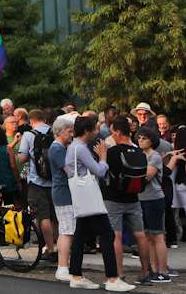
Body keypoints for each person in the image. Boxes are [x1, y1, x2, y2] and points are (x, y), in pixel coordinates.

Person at [65, 115, 134, 291]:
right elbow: (99, 171)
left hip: (81, 197)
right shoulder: (80, 148)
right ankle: (112, 278)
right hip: (90, 198)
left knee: (80, 236)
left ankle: (76, 275)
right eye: (94, 129)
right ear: (87, 131)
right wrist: (102, 157)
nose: (97, 132)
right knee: (107, 235)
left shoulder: (73, 147)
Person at [102, 116, 150, 285]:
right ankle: (145, 272)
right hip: (134, 198)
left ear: (117, 131)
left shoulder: (112, 152)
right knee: (141, 235)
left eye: (112, 132)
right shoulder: (139, 151)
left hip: (113, 198)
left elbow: (103, 172)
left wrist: (102, 155)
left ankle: (119, 273)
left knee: (116, 235)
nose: (111, 135)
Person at [137, 128, 178, 284]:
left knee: (158, 235)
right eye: (139, 137)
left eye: (144, 138)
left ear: (151, 140)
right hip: (141, 198)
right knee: (147, 237)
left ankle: (163, 271)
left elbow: (147, 176)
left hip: (154, 198)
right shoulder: (140, 155)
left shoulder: (154, 156)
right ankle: (153, 269)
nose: (141, 140)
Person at [18, 109, 57, 262]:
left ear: (31, 121)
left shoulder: (28, 135)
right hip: (55, 181)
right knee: (55, 217)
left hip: (37, 181)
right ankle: (60, 246)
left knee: (43, 216)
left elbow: (21, 158)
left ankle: (50, 248)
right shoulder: (54, 133)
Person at [49, 115, 77, 282]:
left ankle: (63, 265)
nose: (72, 134)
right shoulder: (58, 149)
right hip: (64, 193)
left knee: (65, 230)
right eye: (69, 131)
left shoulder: (58, 147)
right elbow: (69, 171)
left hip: (62, 193)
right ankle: (62, 267)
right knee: (67, 231)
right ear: (60, 131)